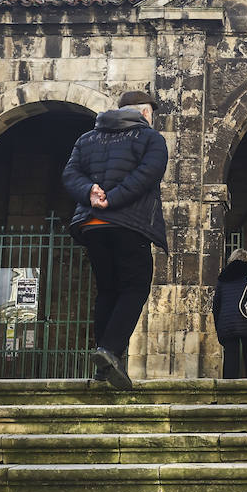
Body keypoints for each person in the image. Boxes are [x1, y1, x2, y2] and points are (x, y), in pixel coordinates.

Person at [62, 90, 168, 389]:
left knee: (108, 290)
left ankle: (105, 368)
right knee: (135, 286)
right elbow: (148, 174)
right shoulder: (150, 138)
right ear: (145, 114)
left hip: (92, 225)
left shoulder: (87, 139)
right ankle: (108, 351)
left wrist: (90, 192)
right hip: (128, 224)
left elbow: (70, 173)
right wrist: (113, 199)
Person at [212, 248, 247, 379]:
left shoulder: (224, 276)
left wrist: (218, 327)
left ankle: (229, 390)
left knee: (231, 355)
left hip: (228, 322)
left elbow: (216, 304)